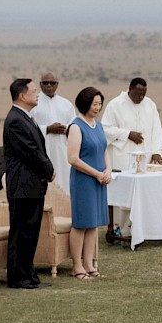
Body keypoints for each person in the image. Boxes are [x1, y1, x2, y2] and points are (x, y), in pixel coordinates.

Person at [3, 78, 55, 289]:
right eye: (34, 91)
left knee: (30, 232)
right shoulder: (16, 120)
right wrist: (49, 170)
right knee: (22, 232)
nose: (38, 93)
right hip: (23, 186)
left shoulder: (26, 117)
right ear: (22, 95)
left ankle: (29, 275)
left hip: (32, 185)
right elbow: (30, 152)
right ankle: (18, 278)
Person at [101, 77, 162, 238]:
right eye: (138, 93)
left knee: (145, 194)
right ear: (129, 89)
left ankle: (145, 230)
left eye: (144, 94)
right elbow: (105, 129)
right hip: (122, 158)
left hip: (144, 158)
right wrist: (127, 134)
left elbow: (156, 130)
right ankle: (121, 231)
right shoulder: (115, 105)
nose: (141, 97)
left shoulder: (150, 105)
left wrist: (157, 151)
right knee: (125, 197)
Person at [66, 87, 110, 280]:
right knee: (81, 223)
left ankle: (89, 264)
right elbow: (73, 159)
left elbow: (104, 150)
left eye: (100, 104)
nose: (98, 107)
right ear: (85, 104)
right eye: (94, 104)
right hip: (84, 180)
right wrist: (96, 174)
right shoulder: (76, 126)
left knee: (93, 224)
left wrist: (108, 170)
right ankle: (77, 266)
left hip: (99, 179)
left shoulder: (98, 125)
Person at [30, 72, 75, 191]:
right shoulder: (33, 104)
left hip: (63, 152)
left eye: (52, 83)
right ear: (40, 84)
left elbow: (74, 126)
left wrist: (65, 128)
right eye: (45, 83)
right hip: (43, 152)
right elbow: (27, 128)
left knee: (65, 184)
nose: (49, 85)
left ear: (57, 85)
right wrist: (48, 129)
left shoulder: (66, 104)